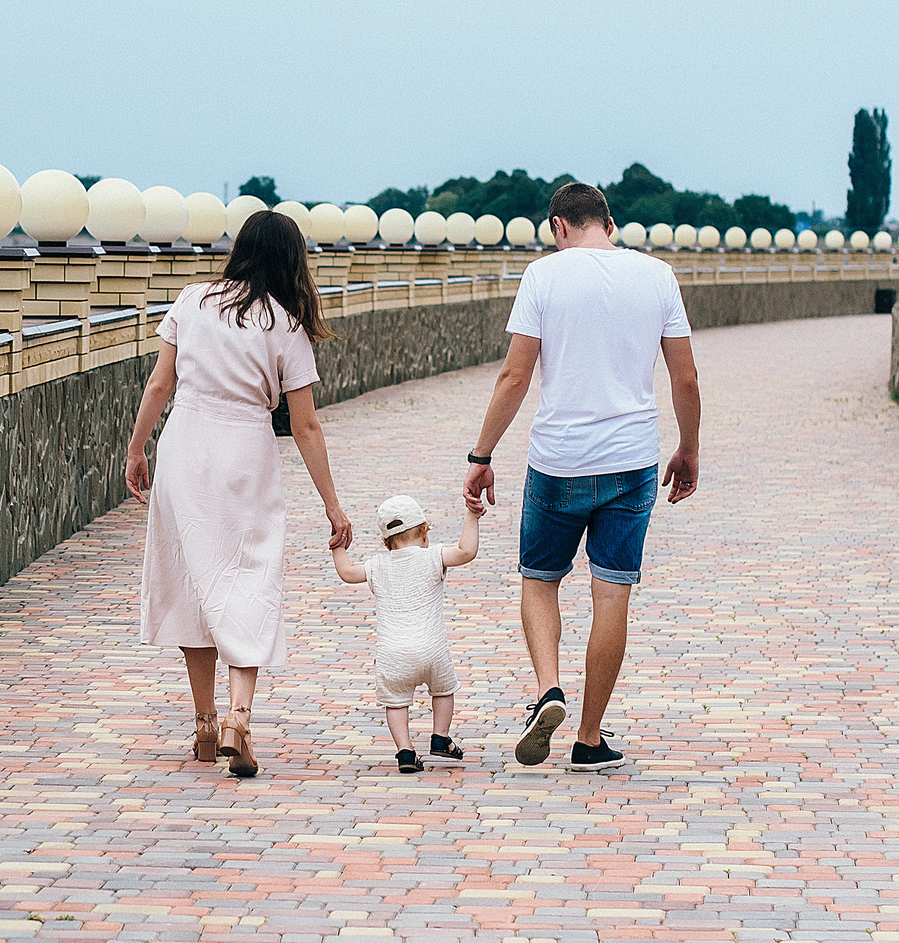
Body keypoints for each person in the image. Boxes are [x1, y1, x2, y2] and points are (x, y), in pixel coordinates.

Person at [463, 180, 700, 772]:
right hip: (632, 460)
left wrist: (481, 454)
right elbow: (686, 379)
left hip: (559, 460)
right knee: (611, 592)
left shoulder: (544, 276)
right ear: (610, 225)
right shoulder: (658, 276)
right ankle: (590, 738)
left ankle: (548, 690)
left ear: (558, 227)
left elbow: (515, 377)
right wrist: (688, 449)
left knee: (541, 580)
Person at [126, 208, 354, 777]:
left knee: (190, 578)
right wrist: (332, 504)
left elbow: (160, 383)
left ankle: (203, 724)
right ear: (290, 260)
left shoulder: (192, 301)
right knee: (249, 577)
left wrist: (136, 449)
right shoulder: (286, 324)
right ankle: (238, 719)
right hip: (245, 450)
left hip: (184, 444)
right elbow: (305, 426)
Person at [331, 492, 481, 772]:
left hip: (393, 655)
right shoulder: (433, 556)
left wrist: (337, 545)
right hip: (432, 650)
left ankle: (405, 752)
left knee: (397, 703)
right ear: (425, 533)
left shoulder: (378, 564)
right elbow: (466, 551)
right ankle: (440, 737)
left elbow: (348, 572)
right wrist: (471, 515)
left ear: (387, 543)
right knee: (444, 691)